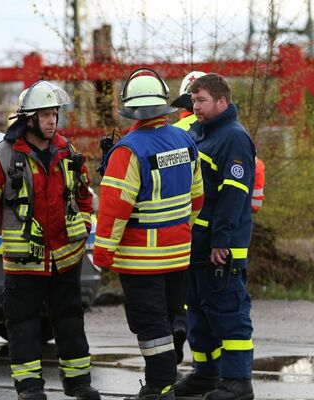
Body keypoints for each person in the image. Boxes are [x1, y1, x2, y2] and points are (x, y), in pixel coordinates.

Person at [0, 81, 100, 400]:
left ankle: (79, 383)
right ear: (28, 119)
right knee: (23, 325)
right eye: (45, 115)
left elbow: (84, 195)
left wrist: (83, 227)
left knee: (70, 321)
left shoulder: (66, 150)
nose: (52, 121)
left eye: (54, 114)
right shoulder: (1, 157)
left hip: (65, 256)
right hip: (24, 261)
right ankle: (29, 388)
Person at [94, 68, 204, 400]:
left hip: (141, 260)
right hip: (178, 253)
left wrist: (103, 253)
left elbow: (114, 209)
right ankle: (177, 337)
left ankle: (159, 388)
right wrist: (181, 231)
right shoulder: (184, 140)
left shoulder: (128, 151)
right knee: (170, 316)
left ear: (131, 108)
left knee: (150, 326)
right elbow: (197, 198)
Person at [170, 70, 265, 367]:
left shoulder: (233, 137)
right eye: (193, 100)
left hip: (221, 250)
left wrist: (219, 241)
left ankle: (237, 381)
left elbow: (232, 198)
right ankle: (205, 373)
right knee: (199, 313)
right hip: (200, 245)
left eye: (201, 100)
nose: (195, 106)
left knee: (228, 314)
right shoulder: (204, 132)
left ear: (221, 102)